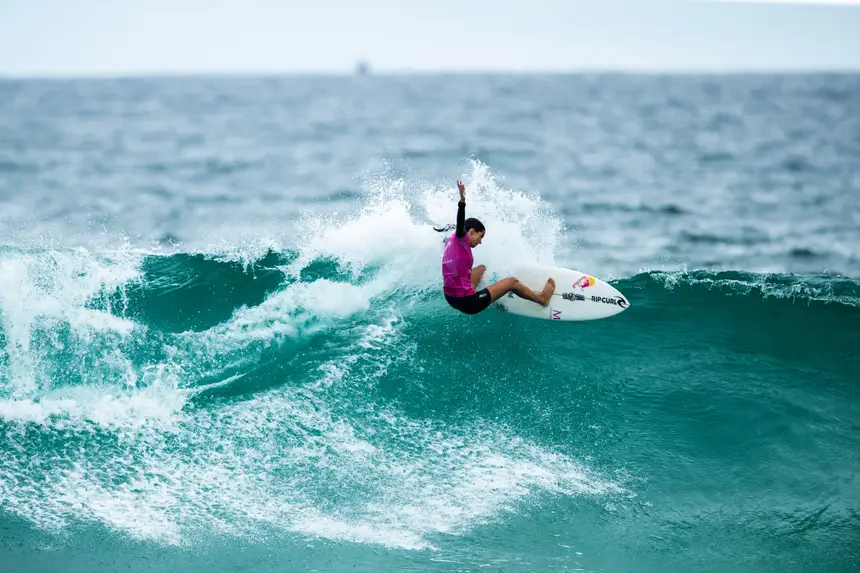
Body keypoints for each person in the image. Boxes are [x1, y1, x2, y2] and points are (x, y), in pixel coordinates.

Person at [442, 180, 555, 315]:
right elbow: (460, 224)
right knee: (512, 282)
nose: (480, 242)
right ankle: (542, 299)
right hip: (468, 302)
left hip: (451, 297)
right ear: (471, 232)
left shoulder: (450, 240)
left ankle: (491, 295)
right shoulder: (462, 238)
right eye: (480, 236)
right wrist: (462, 201)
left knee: (481, 269)